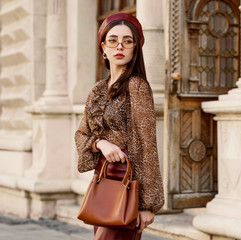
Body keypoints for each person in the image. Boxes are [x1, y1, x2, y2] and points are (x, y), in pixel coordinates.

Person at [75, 13, 165, 240]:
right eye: (113, 40)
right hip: (103, 177)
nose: (120, 46)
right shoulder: (97, 89)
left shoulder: (136, 86)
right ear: (103, 48)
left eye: (127, 41)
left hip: (127, 179)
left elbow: (148, 146)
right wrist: (100, 143)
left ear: (135, 48)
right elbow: (81, 134)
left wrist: (147, 204)